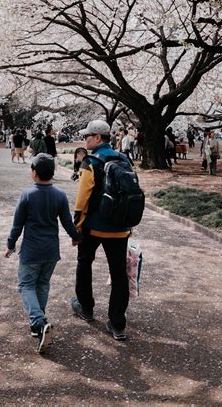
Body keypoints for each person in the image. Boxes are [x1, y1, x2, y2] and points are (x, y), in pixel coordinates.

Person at [4, 153, 81, 353]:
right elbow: (66, 222)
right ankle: (38, 326)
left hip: (31, 250)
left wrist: (11, 245)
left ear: (35, 173)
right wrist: (76, 236)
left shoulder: (27, 195)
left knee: (25, 285)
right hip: (51, 250)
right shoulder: (60, 195)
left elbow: (17, 225)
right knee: (42, 284)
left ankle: (38, 321)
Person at [70, 119, 132, 341]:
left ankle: (85, 308)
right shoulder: (124, 159)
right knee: (118, 273)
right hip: (120, 228)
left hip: (94, 227)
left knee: (84, 263)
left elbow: (82, 198)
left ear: (98, 138)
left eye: (88, 136)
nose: (85, 139)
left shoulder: (91, 161)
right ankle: (117, 323)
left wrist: (76, 226)